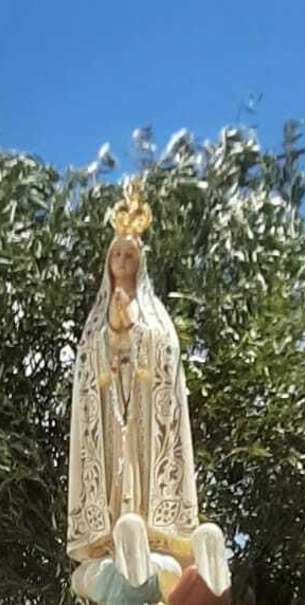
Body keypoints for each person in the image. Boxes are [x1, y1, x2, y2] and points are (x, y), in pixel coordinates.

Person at [66, 179, 200, 570]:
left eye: (129, 254)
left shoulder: (155, 312)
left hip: (144, 413)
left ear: (139, 263)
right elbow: (89, 364)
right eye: (117, 254)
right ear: (108, 263)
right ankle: (110, 540)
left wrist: (136, 331)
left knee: (142, 473)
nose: (123, 260)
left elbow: (166, 352)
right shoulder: (95, 319)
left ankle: (152, 538)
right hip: (110, 413)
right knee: (113, 473)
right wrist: (111, 335)